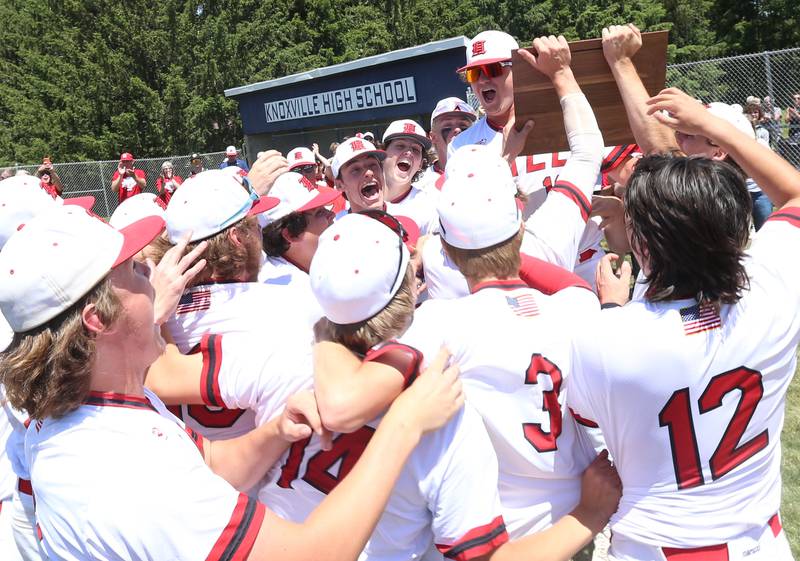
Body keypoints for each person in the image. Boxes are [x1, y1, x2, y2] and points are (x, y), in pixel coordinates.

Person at [0, 204, 465, 561]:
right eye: (136, 271)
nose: (154, 277)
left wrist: (274, 431)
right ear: (99, 320)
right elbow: (314, 554)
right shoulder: (124, 476)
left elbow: (211, 465)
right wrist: (403, 425)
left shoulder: (94, 402)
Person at [567, 87, 800, 560]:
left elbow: (591, 422)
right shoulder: (772, 290)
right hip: (761, 544)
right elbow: (794, 193)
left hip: (653, 550)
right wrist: (715, 127)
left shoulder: (604, 337)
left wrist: (612, 307)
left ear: (645, 247)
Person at [260, 171, 341, 292]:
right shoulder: (287, 289)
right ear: (291, 235)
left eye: (324, 208)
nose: (332, 214)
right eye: (319, 213)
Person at [381, 119, 439, 234]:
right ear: (382, 154)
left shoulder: (431, 205)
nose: (408, 152)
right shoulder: (358, 200)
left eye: (415, 149)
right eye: (400, 146)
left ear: (420, 164)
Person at [416, 97, 478, 193]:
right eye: (448, 126)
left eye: (464, 126)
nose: (457, 130)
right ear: (433, 137)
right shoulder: (420, 186)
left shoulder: (489, 171)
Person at [331, 137, 387, 215]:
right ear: (339, 185)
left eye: (372, 165)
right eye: (355, 170)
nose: (369, 173)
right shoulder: (337, 225)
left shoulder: (406, 216)